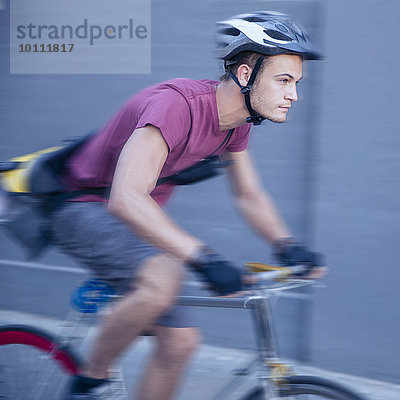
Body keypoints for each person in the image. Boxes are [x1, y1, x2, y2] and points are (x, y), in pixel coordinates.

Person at [54, 11, 326, 400]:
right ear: (246, 75)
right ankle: (87, 384)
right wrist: (205, 259)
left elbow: (248, 195)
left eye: (296, 83)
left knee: (180, 344)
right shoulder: (176, 106)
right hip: (81, 205)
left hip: (131, 222)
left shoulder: (237, 123)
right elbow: (126, 197)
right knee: (165, 276)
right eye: (284, 81)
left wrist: (288, 245)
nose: (293, 95)